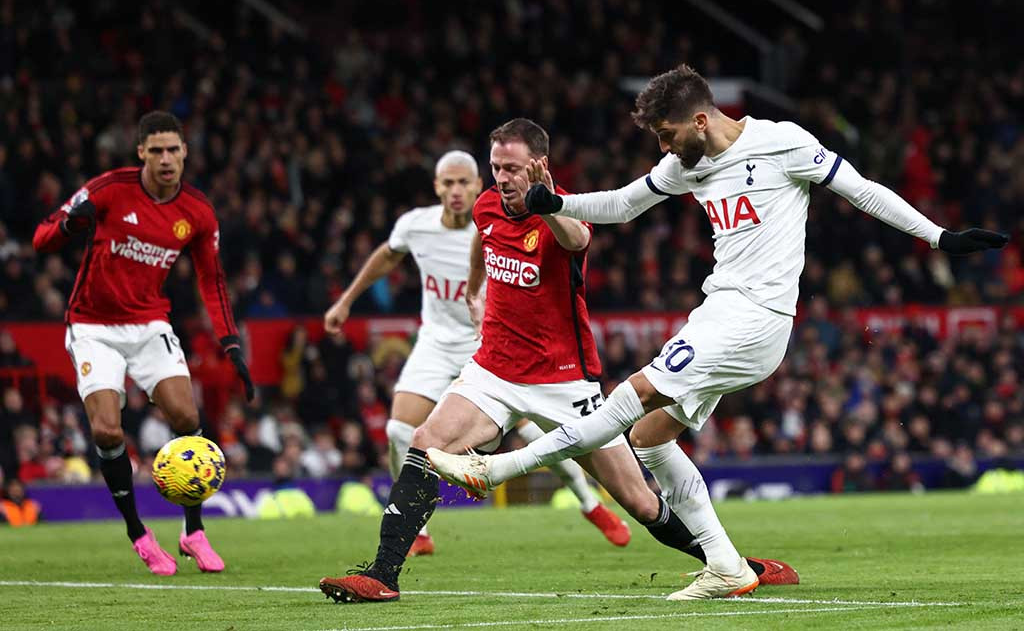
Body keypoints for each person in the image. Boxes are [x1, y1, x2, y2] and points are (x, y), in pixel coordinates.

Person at [428, 65, 1009, 600]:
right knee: (650, 437)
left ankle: (496, 468)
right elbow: (623, 205)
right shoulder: (685, 164)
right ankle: (727, 566)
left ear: (701, 120)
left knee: (632, 396)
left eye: (667, 135)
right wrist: (556, 202)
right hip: (719, 312)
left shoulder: (783, 143)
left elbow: (861, 189)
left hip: (756, 316)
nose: (663, 148)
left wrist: (939, 237)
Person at [318, 119, 793, 604]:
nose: (502, 178)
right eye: (496, 167)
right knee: (424, 442)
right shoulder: (486, 205)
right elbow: (484, 235)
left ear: (538, 165)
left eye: (512, 168)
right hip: (493, 370)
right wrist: (475, 290)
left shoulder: (563, 210)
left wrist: (547, 204)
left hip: (564, 382)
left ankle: (735, 564)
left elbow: (577, 240)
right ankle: (383, 574)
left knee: (639, 501)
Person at [322, 150, 630, 558]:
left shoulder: (496, 219)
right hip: (435, 343)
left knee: (534, 432)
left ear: (476, 185)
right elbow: (387, 255)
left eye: (463, 183)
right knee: (398, 431)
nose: (455, 191)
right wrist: (346, 301)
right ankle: (419, 528)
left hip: (489, 343)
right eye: (447, 183)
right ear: (436, 187)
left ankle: (590, 504)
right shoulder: (415, 225)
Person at [32, 111, 254, 576]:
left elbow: (211, 280)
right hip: (93, 326)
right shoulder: (108, 189)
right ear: (141, 153)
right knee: (107, 432)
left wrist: (230, 343)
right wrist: (71, 226)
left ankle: (193, 532)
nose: (166, 159)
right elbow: (41, 238)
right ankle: (139, 533)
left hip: (150, 323)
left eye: (173, 149)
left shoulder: (197, 211)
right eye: (156, 151)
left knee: (187, 417)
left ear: (185, 152)